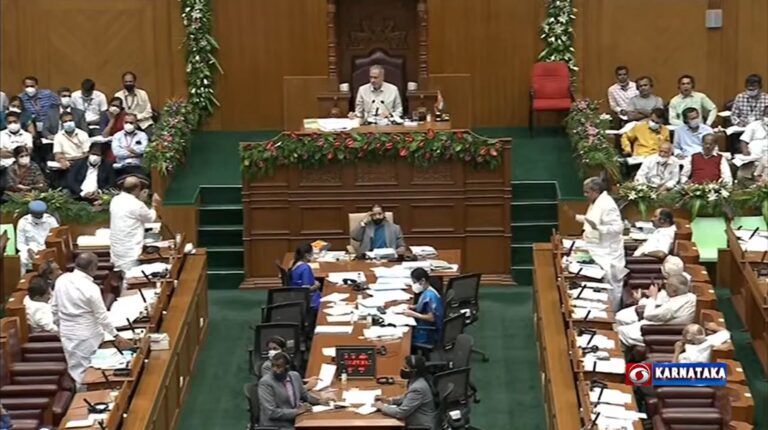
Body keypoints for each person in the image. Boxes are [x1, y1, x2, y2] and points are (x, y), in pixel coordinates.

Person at [52, 252, 132, 386]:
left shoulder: (62, 279)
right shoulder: (91, 288)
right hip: (87, 336)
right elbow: (102, 317)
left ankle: (81, 395)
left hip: (67, 333)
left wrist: (59, 327)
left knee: (76, 369)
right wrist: (116, 335)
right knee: (91, 372)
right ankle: (84, 400)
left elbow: (54, 308)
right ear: (93, 267)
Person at [574, 177, 628, 309]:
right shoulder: (597, 201)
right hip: (597, 247)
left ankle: (612, 314)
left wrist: (598, 227)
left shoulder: (608, 205)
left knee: (611, 284)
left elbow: (617, 228)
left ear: (595, 191)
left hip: (608, 252)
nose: (585, 195)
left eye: (587, 192)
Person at [617, 274, 696, 347]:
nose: (664, 287)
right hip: (660, 326)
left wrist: (653, 297)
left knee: (619, 331)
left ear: (674, 291)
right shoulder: (691, 297)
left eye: (667, 285)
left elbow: (648, 315)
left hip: (656, 332)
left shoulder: (671, 308)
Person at [257, 351, 324, 430]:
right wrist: (297, 411)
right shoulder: (265, 383)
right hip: (276, 425)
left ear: (287, 367)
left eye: (278, 367)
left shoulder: (295, 376)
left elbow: (305, 395)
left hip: (294, 419)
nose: (275, 369)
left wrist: (320, 401)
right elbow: (272, 412)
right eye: (273, 366)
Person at [109, 176, 161, 272]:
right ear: (137, 188)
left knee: (122, 278)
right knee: (130, 279)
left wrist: (139, 200)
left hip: (117, 251)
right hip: (130, 252)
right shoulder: (137, 204)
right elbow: (150, 218)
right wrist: (153, 204)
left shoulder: (115, 200)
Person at [616, 256, 686, 326]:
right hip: (650, 306)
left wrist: (642, 299)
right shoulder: (681, 280)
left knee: (620, 317)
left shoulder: (673, 288)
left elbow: (655, 309)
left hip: (651, 317)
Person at [374, 355, 438, 430]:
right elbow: (407, 397)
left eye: (405, 368)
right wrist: (390, 401)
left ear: (414, 371)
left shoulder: (418, 388)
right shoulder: (418, 380)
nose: (402, 369)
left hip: (420, 425)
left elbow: (400, 413)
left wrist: (382, 407)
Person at [403, 268, 444, 348]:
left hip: (430, 332)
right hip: (426, 325)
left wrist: (414, 314)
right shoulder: (429, 290)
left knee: (406, 338)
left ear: (422, 281)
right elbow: (424, 305)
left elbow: (432, 318)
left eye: (415, 282)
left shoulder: (430, 296)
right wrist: (413, 307)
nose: (414, 285)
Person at [16, 200, 59, 274]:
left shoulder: (51, 220)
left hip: (48, 249)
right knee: (21, 257)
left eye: (40, 215)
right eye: (36, 215)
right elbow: (20, 243)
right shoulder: (23, 222)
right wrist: (28, 250)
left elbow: (57, 238)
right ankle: (23, 280)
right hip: (31, 249)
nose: (38, 217)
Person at [289, 243, 321, 323]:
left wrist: (314, 281)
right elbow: (306, 290)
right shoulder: (305, 268)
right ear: (307, 255)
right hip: (309, 300)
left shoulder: (293, 263)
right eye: (312, 253)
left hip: (296, 296)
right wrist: (317, 285)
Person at [736, 106, 768, 185]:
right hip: (753, 159)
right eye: (767, 115)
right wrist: (745, 151)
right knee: (741, 176)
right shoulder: (754, 125)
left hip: (766, 160)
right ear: (762, 115)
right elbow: (743, 141)